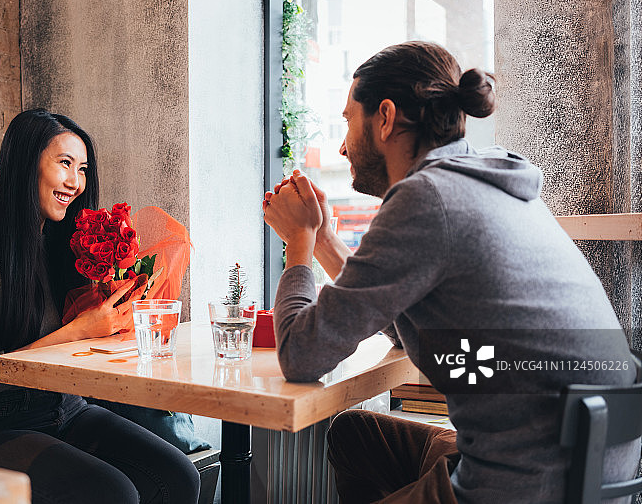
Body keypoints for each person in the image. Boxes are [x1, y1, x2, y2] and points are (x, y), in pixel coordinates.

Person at [262, 41, 640, 503]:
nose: (343, 146)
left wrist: (298, 239)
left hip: (528, 481)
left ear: (385, 117)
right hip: (591, 463)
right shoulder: (489, 179)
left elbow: (301, 355)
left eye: (348, 121)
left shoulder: (426, 199)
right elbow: (402, 326)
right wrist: (323, 240)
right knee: (354, 435)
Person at [0, 109, 200, 504]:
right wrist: (78, 331)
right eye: (65, 163)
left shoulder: (61, 244)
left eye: (83, 168)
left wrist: (121, 312)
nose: (75, 182)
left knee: (180, 475)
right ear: (26, 164)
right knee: (114, 493)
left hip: (69, 409)